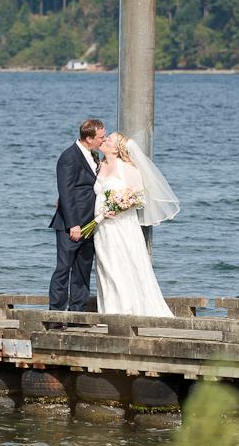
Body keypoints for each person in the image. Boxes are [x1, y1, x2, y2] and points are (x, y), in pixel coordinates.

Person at [92, 132, 179, 317]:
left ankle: (128, 311)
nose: (104, 139)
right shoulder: (100, 165)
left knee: (123, 265)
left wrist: (119, 208)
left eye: (109, 139)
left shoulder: (127, 168)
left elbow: (139, 197)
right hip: (102, 228)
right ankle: (109, 312)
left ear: (116, 149)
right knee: (106, 267)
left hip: (121, 226)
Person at [48, 119, 106, 329]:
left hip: (91, 222)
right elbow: (66, 192)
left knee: (83, 270)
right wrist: (73, 224)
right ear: (89, 138)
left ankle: (77, 316)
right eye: (101, 137)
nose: (104, 139)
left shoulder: (94, 154)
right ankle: (55, 317)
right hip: (70, 225)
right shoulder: (68, 157)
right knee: (63, 269)